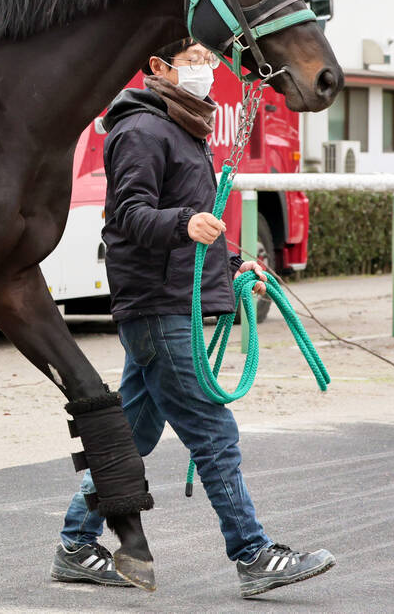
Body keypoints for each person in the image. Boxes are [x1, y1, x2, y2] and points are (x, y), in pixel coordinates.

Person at [49, 38, 335, 598]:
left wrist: (235, 264)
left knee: (133, 435)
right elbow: (129, 216)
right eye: (195, 60)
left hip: (169, 301)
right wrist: (184, 223)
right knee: (212, 431)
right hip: (157, 307)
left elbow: (195, 230)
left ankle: (75, 544)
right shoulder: (140, 131)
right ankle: (253, 555)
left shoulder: (183, 128)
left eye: (209, 60)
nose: (208, 69)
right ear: (158, 67)